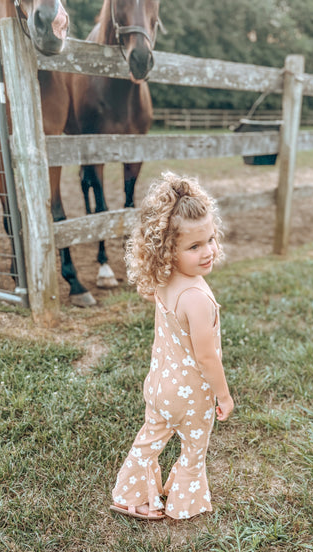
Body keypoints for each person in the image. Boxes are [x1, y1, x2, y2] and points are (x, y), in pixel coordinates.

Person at [111, 172, 234, 521]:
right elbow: (207, 356)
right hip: (191, 395)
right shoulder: (196, 297)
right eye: (194, 247)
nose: (208, 251)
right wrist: (222, 396)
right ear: (168, 250)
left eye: (210, 239)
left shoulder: (164, 282)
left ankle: (128, 494)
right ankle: (184, 503)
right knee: (194, 449)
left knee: (149, 440)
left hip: (159, 384)